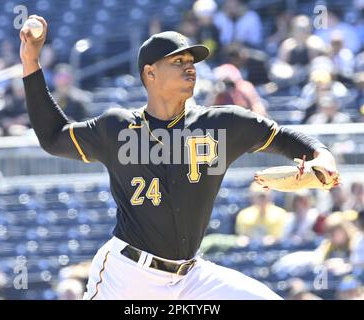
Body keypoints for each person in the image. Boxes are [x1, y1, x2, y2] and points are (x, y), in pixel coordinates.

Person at [20, 15, 339, 300]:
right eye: (177, 61)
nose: (190, 66)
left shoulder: (222, 125)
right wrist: (31, 63)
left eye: (191, 60)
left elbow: (282, 137)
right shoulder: (117, 128)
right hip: (127, 275)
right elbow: (53, 137)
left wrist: (319, 155)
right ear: (150, 73)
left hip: (191, 277)